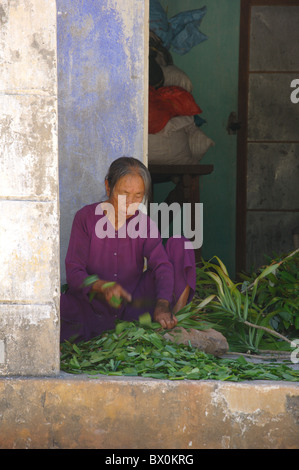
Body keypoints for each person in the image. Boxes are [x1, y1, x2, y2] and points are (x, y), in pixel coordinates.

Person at [60, 156, 196, 343]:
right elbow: (74, 272)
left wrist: (162, 303)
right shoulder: (85, 218)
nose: (130, 203)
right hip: (91, 309)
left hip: (133, 307)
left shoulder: (144, 224)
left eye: (138, 196)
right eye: (123, 194)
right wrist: (101, 286)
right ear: (108, 187)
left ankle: (175, 325)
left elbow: (162, 265)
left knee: (180, 245)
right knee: (51, 308)